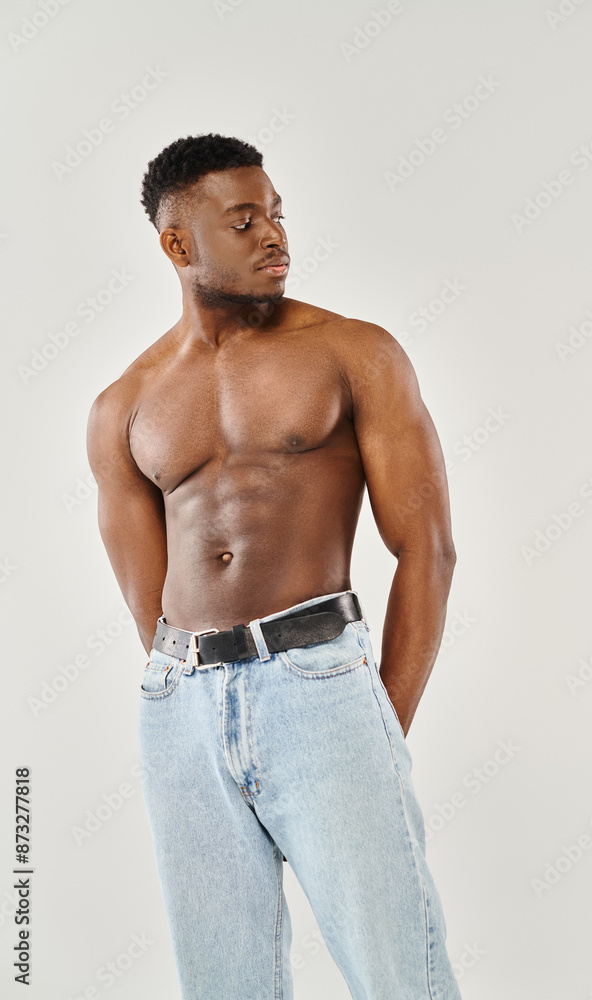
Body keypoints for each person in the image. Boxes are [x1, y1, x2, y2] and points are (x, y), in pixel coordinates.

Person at [86, 133, 463, 1000]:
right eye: (243, 220)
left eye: (277, 213)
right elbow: (149, 606)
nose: (273, 235)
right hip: (181, 709)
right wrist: (194, 689)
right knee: (224, 983)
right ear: (177, 245)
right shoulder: (123, 405)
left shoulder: (353, 352)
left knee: (399, 973)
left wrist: (378, 721)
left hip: (320, 684)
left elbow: (427, 549)